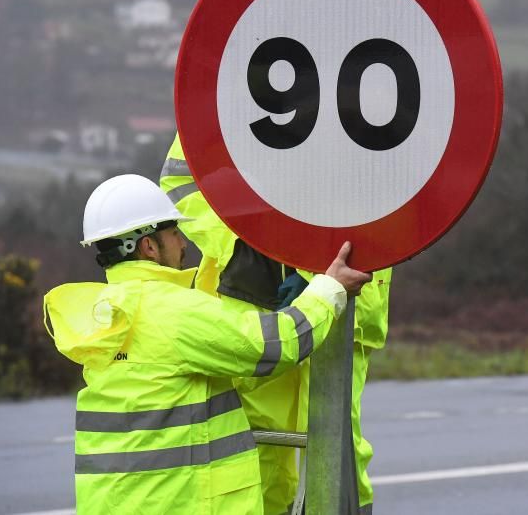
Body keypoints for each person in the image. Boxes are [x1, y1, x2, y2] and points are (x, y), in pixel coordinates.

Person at [44, 174, 371, 515]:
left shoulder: (105, 312)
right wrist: (329, 289)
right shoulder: (172, 310)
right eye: (174, 233)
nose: (184, 244)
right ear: (149, 246)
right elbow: (276, 345)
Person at [160, 134, 391, 515]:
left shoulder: (362, 82)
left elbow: (391, 189)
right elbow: (180, 180)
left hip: (346, 294)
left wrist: (309, 264)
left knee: (336, 445)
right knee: (256, 452)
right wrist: (242, 249)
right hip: (250, 300)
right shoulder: (232, 88)